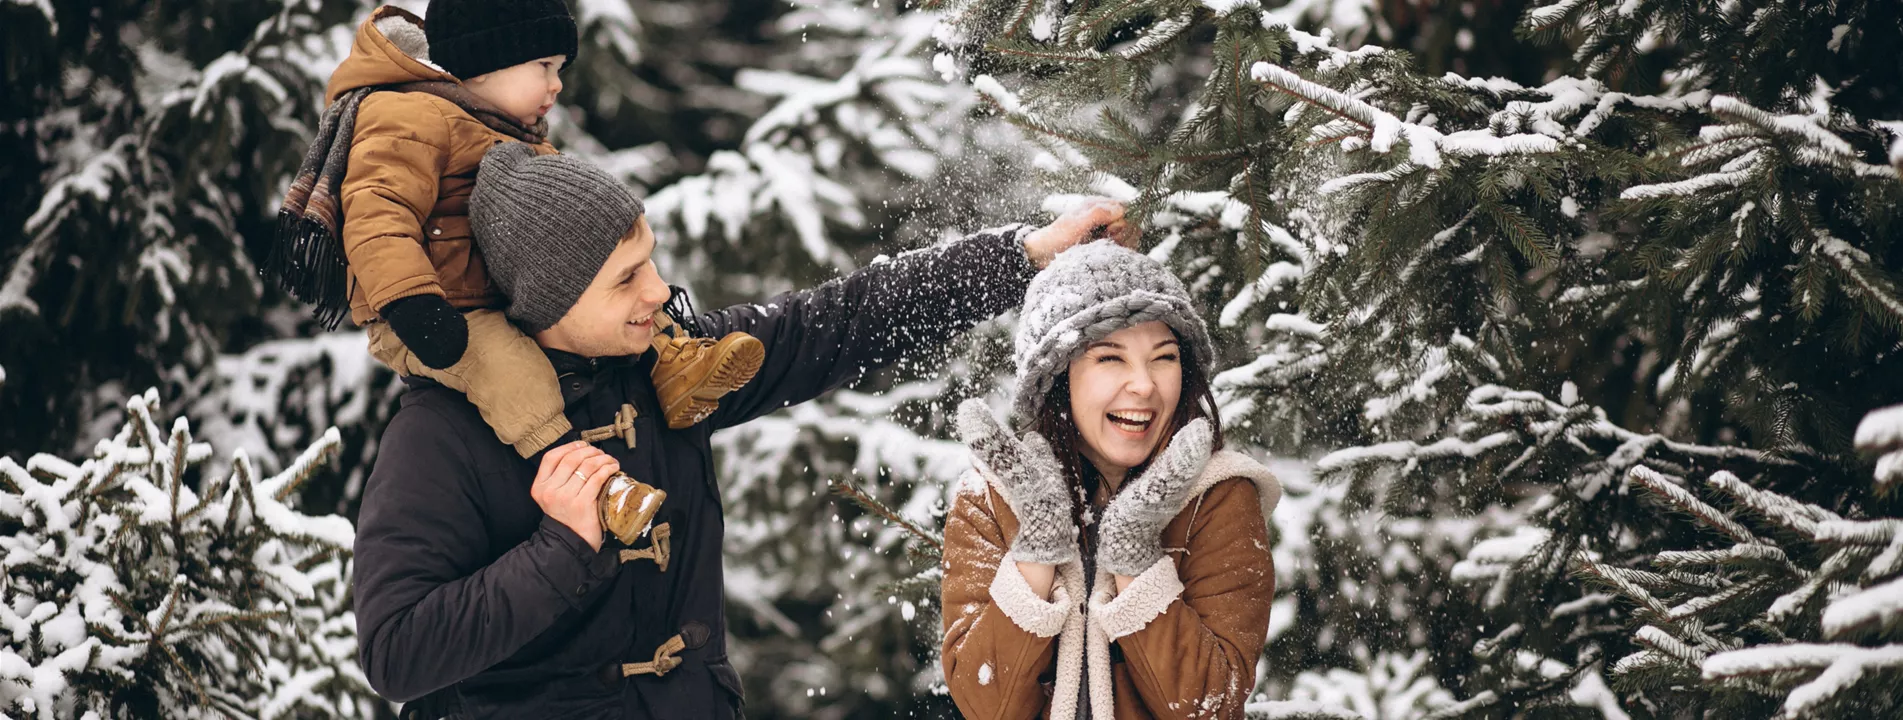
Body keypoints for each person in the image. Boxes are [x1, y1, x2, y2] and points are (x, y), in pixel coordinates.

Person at [351, 143, 1134, 719]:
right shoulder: (440, 434)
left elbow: (844, 319)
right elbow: (396, 654)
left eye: (650, 261)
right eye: (626, 278)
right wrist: (559, 549)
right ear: (549, 300)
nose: (658, 291)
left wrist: (1024, 258)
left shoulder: (668, 370)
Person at [268, 1, 760, 460]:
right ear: (485, 61)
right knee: (514, 373)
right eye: (544, 66)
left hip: (500, 295)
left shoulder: (509, 131)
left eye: (560, 69)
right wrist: (412, 302)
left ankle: (675, 365)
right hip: (432, 313)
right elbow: (377, 217)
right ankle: (572, 466)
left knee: (615, 295)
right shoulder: (409, 115)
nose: (557, 85)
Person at [941, 241, 1283, 719]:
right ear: (1058, 376)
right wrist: (1037, 544)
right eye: (1110, 358)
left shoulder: (1219, 498)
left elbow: (1211, 706)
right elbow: (986, 705)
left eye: (1164, 357)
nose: (1144, 385)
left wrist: (1135, 553)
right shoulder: (990, 498)